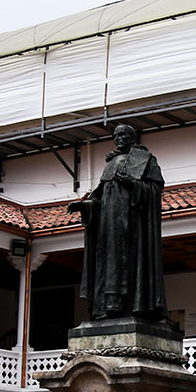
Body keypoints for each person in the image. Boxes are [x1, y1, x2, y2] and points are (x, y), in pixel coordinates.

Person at [68, 123, 167, 321]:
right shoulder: (111, 163)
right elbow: (100, 197)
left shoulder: (144, 159)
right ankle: (108, 305)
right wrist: (85, 206)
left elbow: (155, 191)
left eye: (123, 135)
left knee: (125, 263)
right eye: (115, 135)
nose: (118, 139)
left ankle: (123, 305)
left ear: (133, 138)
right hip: (108, 224)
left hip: (132, 225)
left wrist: (132, 183)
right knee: (108, 262)